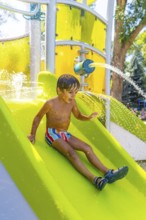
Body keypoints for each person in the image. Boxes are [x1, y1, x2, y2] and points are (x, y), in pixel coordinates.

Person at [28, 74, 128, 191]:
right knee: (71, 153)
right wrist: (32, 134)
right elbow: (37, 118)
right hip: (52, 134)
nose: (73, 95)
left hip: (65, 133)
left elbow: (78, 115)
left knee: (88, 148)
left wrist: (88, 117)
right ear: (59, 90)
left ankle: (108, 172)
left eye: (76, 92)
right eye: (70, 92)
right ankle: (95, 179)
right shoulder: (50, 104)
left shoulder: (72, 103)